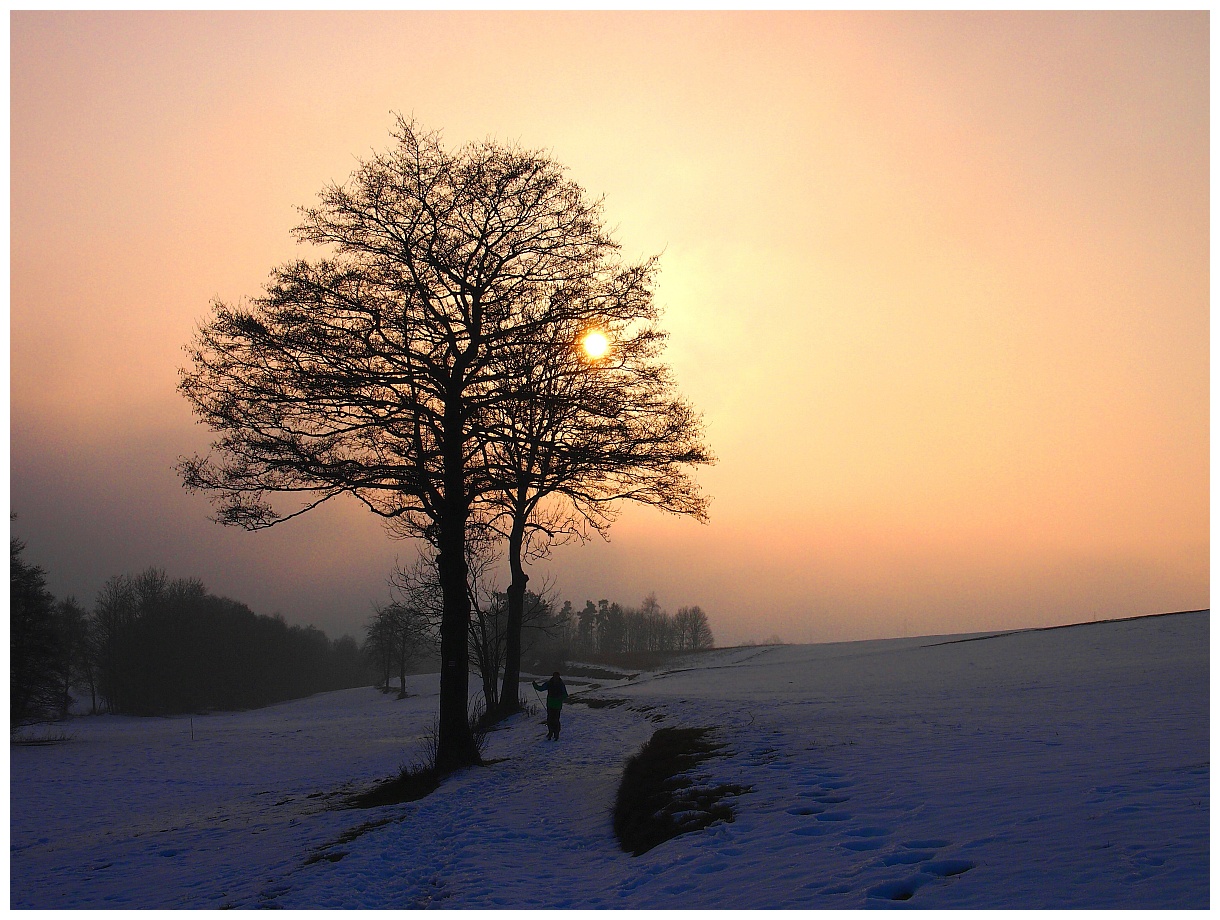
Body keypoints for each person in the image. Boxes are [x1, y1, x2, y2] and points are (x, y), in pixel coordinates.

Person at [532, 671, 569, 741]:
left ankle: (556, 734)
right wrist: (535, 685)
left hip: (557, 705)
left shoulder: (561, 685)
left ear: (558, 676)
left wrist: (560, 698)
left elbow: (565, 695)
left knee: (556, 720)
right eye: (555, 676)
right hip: (550, 704)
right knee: (549, 720)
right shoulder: (549, 683)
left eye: (557, 676)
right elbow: (541, 688)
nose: (555, 678)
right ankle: (550, 732)